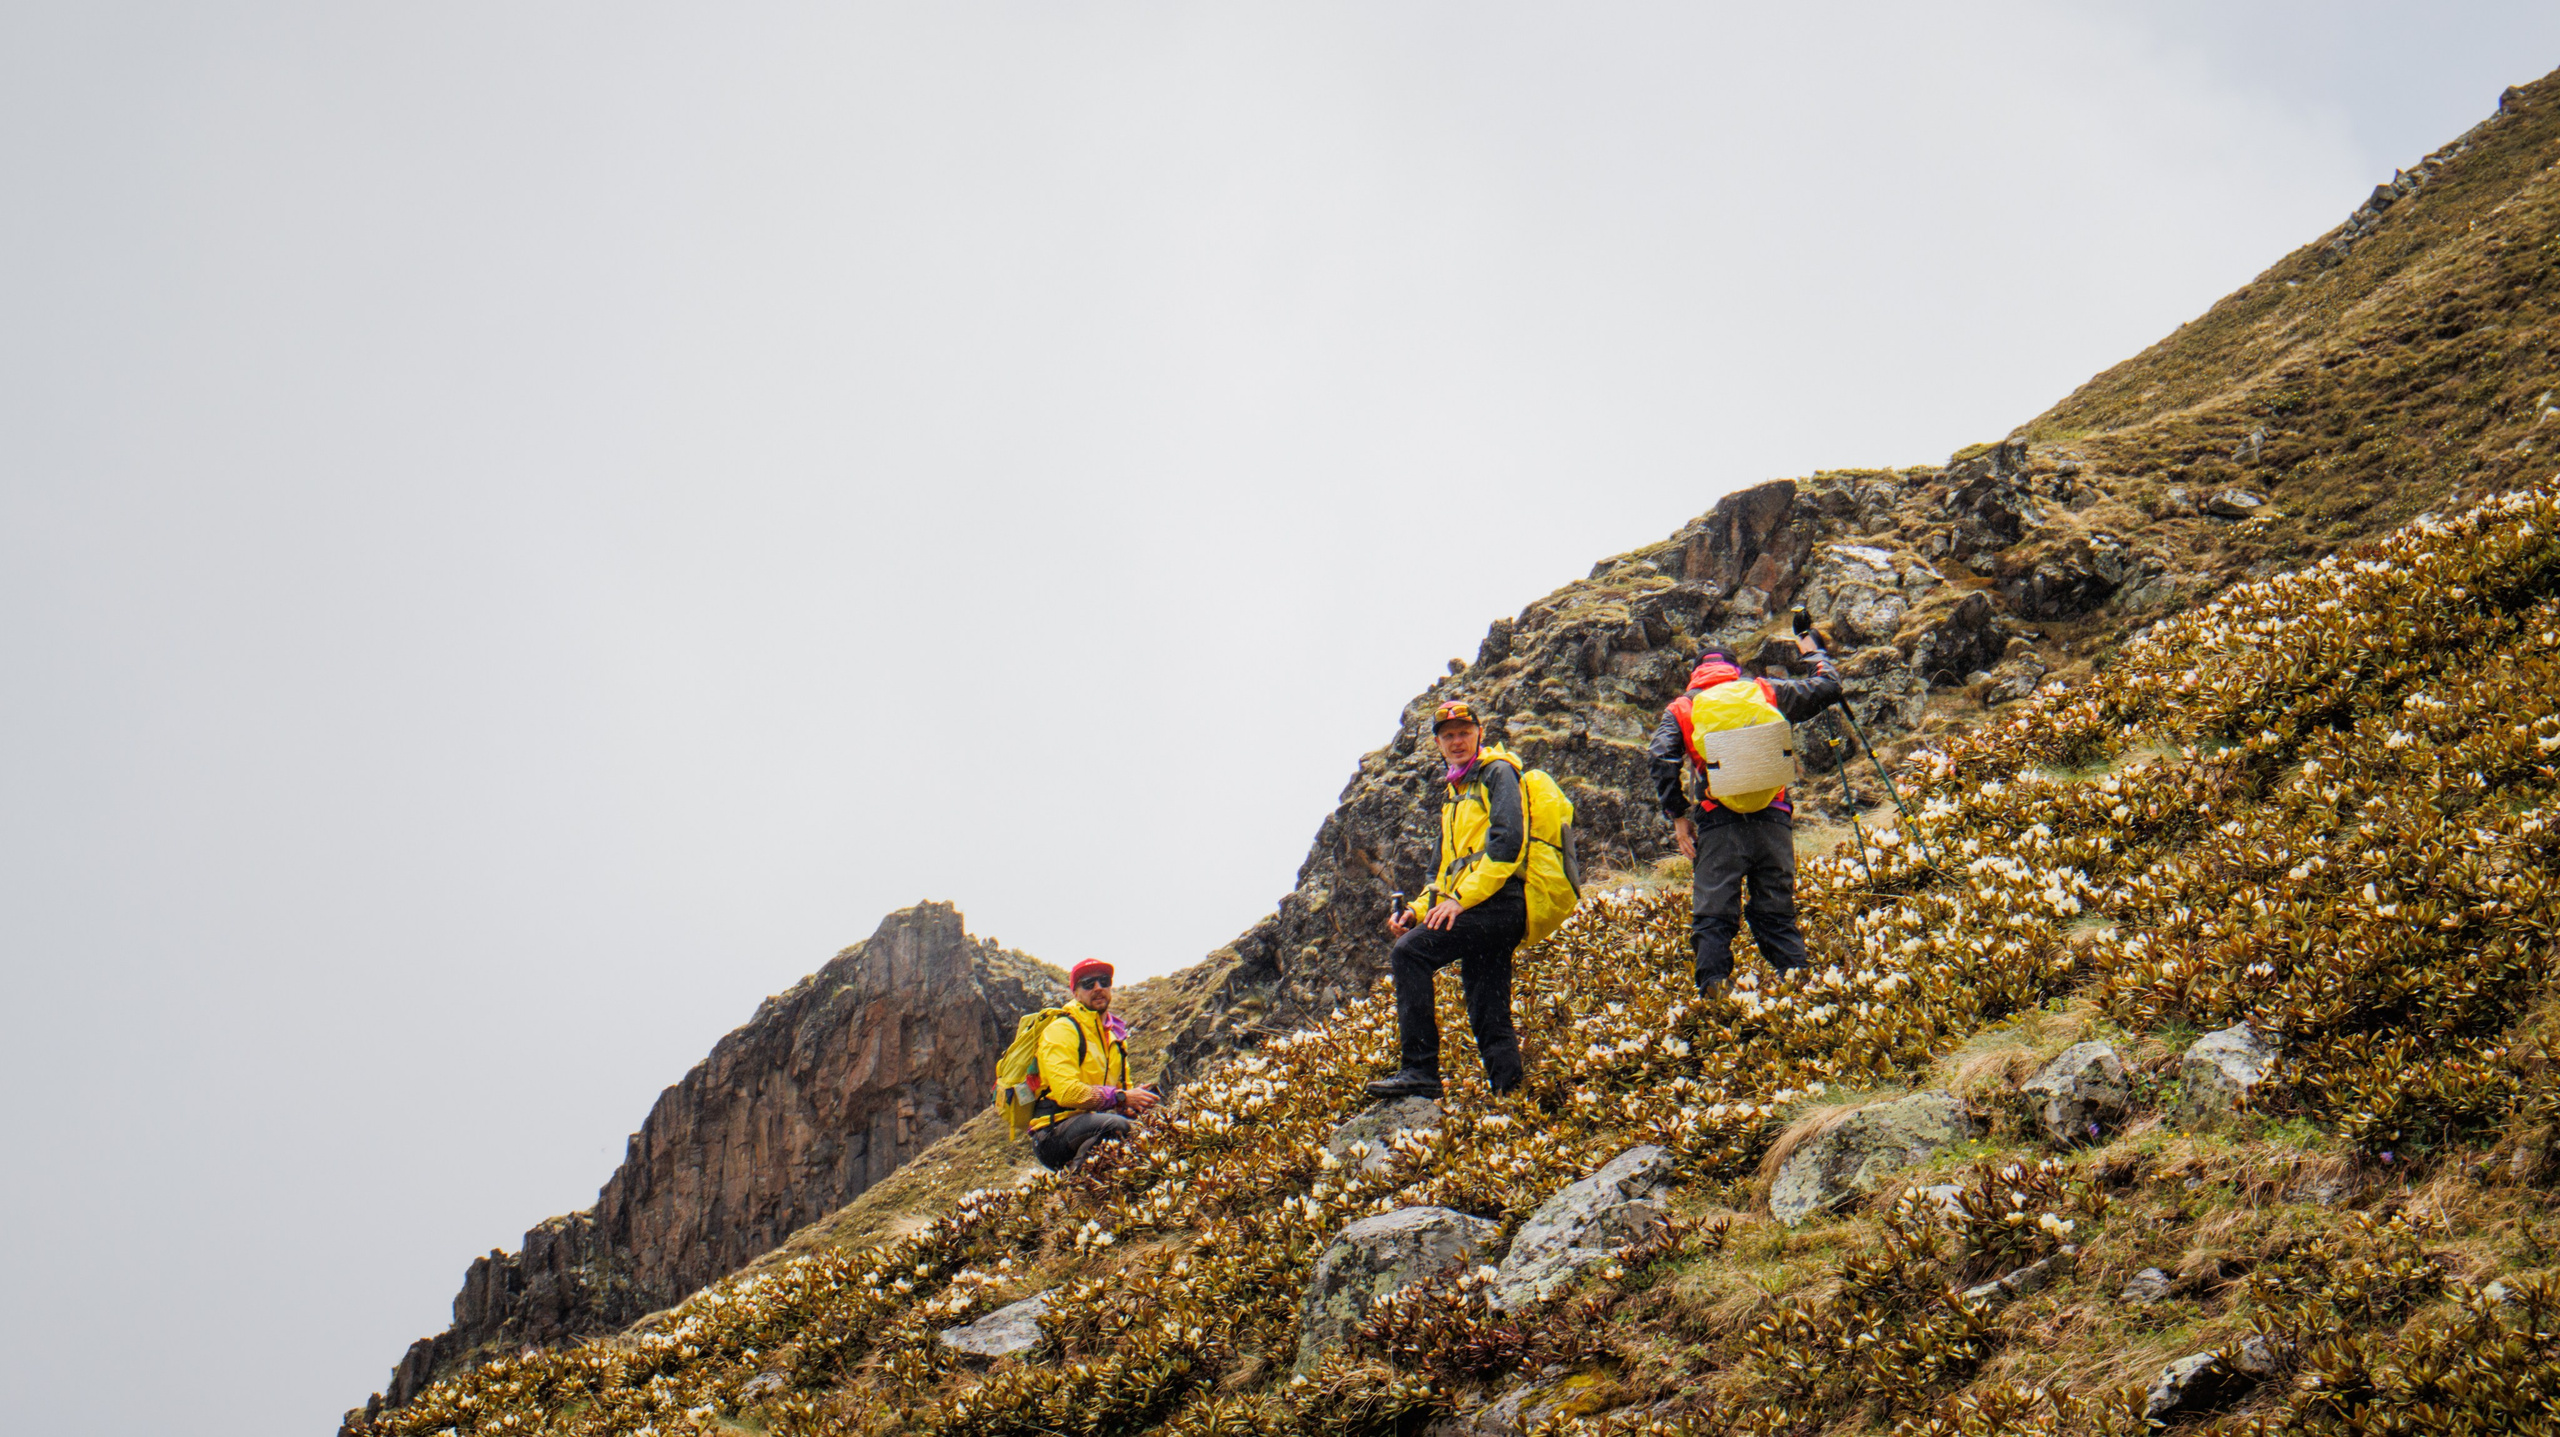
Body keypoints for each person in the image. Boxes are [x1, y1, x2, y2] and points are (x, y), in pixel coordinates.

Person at [1648, 624, 1842, 998]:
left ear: (1696, 673)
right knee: (1776, 915)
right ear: (1735, 671)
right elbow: (1828, 688)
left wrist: (1679, 817)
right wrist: (1813, 651)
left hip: (1719, 824)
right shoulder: (1763, 691)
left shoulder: (1683, 708)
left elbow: (1661, 757)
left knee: (1713, 916)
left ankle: (1715, 1002)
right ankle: (1807, 999)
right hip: (1773, 819)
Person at [1365, 700, 1527, 1101]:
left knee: (1410, 954)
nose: (1457, 741)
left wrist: (1460, 901)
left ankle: (1419, 1070)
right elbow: (1440, 876)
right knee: (1486, 1006)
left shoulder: (1497, 773)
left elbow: (1507, 845)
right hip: (1478, 907)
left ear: (1479, 734)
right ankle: (1513, 1097)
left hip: (1500, 903)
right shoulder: (1454, 795)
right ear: (1437, 743)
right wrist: (1416, 911)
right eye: (1448, 735)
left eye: (1464, 733)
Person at [1026, 958, 1157, 1170]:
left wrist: (1132, 1102)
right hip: (1053, 1133)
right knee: (1115, 1126)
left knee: (1149, 1124)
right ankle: (1077, 1188)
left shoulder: (1115, 1039)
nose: (1098, 988)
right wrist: (1120, 1097)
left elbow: (1122, 1091)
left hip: (1092, 1123)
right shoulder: (1062, 1030)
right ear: (1075, 993)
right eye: (1088, 983)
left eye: (1104, 981)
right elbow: (1067, 1093)